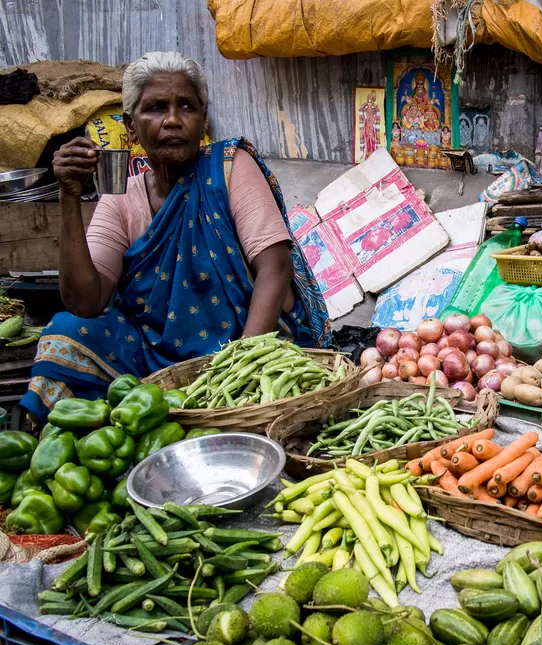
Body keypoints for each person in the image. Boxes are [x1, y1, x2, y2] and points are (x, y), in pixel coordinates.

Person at [23, 52, 331, 421]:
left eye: (186, 106)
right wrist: (69, 197)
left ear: (203, 121)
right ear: (131, 127)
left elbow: (275, 269)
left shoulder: (229, 168)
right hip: (156, 363)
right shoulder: (121, 199)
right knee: (66, 331)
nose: (172, 119)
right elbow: (85, 303)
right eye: (156, 108)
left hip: (248, 348)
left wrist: (237, 370)